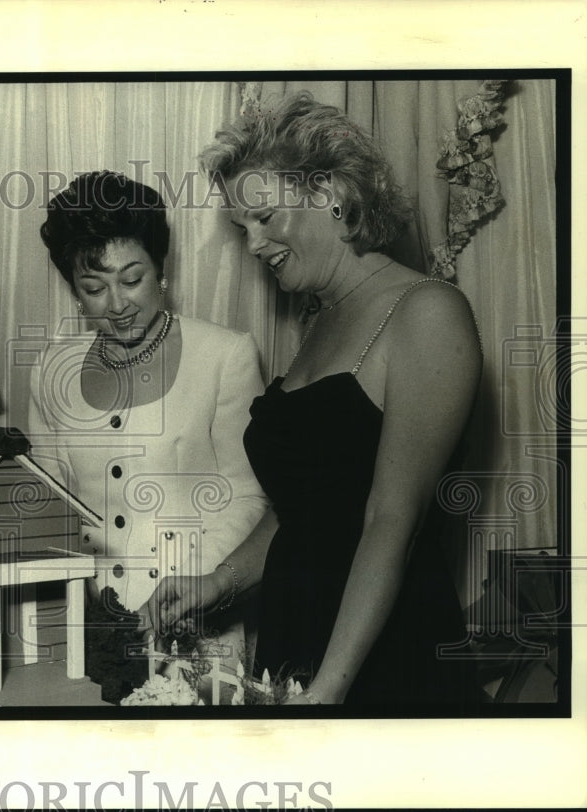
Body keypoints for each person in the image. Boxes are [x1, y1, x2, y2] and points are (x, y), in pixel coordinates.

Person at [143, 93, 483, 706]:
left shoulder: (428, 312)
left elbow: (389, 523)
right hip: (295, 644)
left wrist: (328, 689)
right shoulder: (318, 321)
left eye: (265, 217)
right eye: (242, 226)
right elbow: (305, 511)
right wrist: (217, 582)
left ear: (329, 194)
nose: (252, 243)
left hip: (378, 657)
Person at [28, 170, 270, 660]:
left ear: (161, 270)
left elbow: (249, 497)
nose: (117, 305)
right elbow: (48, 507)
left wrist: (183, 592)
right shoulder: (50, 369)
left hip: (195, 621)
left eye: (132, 279)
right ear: (74, 289)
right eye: (93, 287)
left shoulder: (225, 355)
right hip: (84, 628)